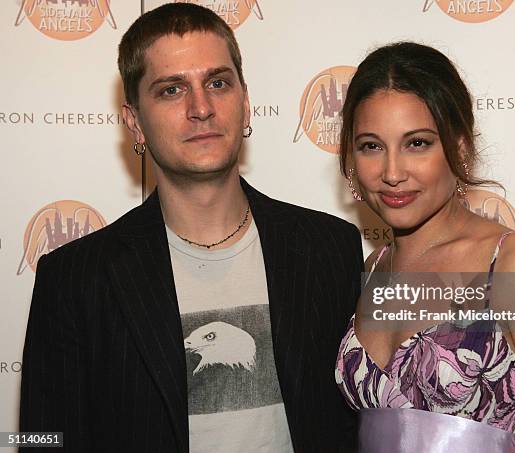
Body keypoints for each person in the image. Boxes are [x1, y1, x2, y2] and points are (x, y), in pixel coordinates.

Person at [19, 4, 363, 452]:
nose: (201, 107)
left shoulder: (330, 249)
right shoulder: (73, 279)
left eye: (218, 83)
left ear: (245, 103)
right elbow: (42, 439)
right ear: (135, 123)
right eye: (171, 90)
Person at [334, 42, 515, 452]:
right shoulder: (372, 269)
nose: (392, 172)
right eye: (371, 146)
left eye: (417, 143)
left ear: (458, 146)